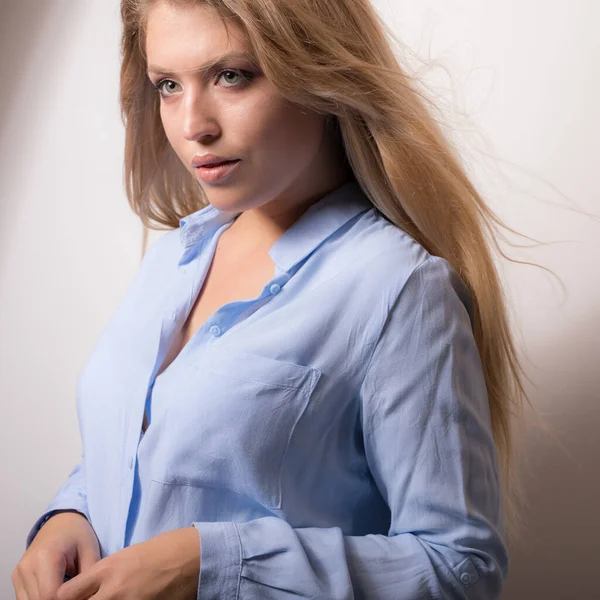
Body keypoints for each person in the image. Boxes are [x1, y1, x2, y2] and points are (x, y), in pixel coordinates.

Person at [13, 0, 530, 598]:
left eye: (231, 76)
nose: (192, 125)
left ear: (320, 75)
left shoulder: (398, 289)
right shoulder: (176, 256)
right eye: (169, 85)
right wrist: (68, 516)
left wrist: (213, 564)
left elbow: (461, 568)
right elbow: (152, 450)